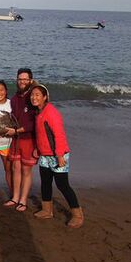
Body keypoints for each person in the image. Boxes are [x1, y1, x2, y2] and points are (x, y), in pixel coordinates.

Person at [30, 84, 83, 228]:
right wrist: (37, 149)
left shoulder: (51, 113)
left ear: (45, 97)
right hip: (45, 156)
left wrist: (60, 156)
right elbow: (41, 135)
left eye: (37, 95)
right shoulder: (38, 112)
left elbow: (59, 135)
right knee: (45, 183)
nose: (34, 98)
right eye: (32, 95)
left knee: (62, 185)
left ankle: (77, 215)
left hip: (58, 155)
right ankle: (47, 210)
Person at [3, 68, 37, 212]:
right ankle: (15, 197)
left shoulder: (34, 96)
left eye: (25, 79)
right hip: (16, 139)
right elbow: (13, 119)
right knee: (15, 168)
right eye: (20, 79)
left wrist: (16, 131)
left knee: (26, 170)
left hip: (29, 138)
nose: (22, 81)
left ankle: (23, 200)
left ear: (30, 80)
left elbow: (34, 123)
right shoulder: (15, 98)